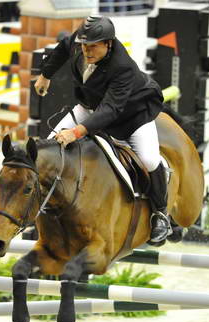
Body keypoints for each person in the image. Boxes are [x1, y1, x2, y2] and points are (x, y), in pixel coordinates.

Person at [34, 15, 171, 243]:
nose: (86, 51)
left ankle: (160, 214)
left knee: (148, 160)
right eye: (84, 45)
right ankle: (42, 208)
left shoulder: (122, 66)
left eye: (93, 47)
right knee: (49, 147)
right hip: (91, 105)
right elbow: (61, 50)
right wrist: (45, 76)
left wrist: (76, 132)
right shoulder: (79, 43)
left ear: (108, 44)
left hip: (132, 113)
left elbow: (110, 110)